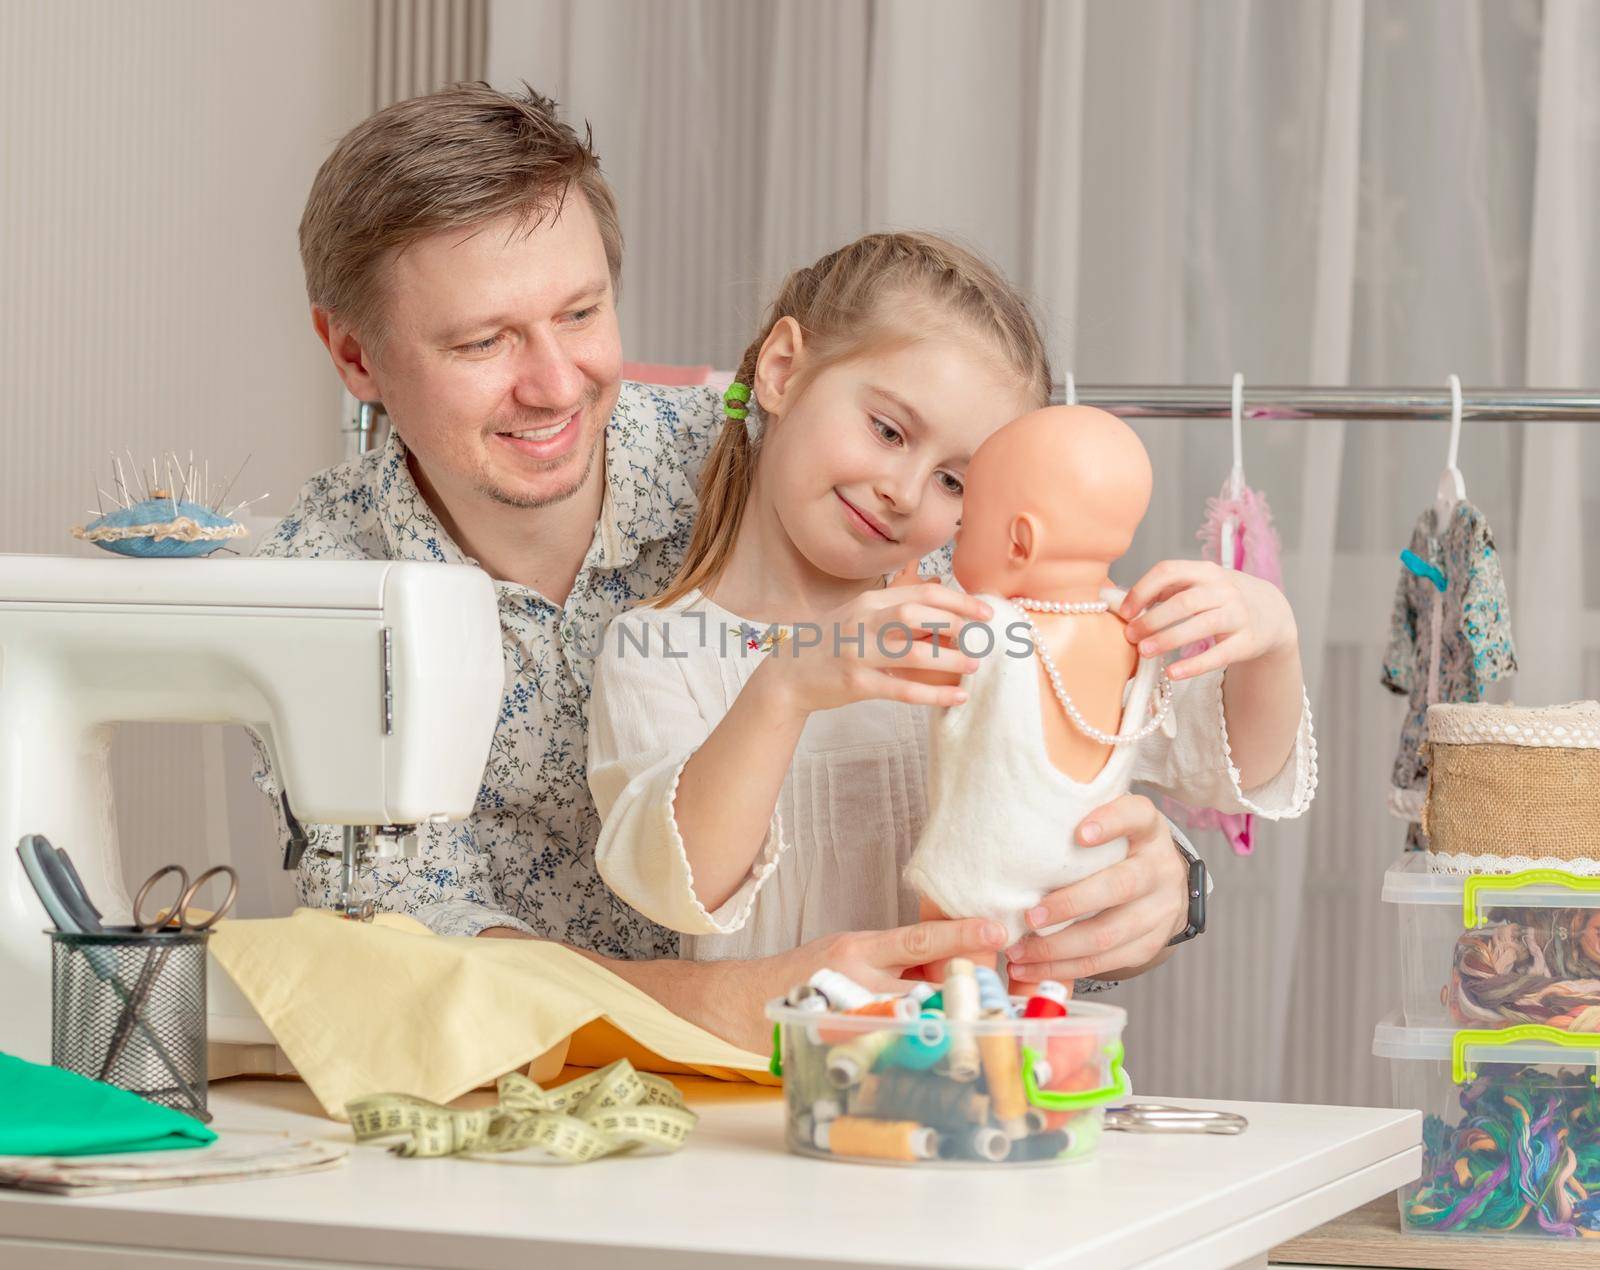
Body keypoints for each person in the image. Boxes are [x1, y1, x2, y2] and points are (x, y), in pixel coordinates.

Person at [253, 82, 1199, 1051]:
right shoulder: (315, 590)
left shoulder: (801, 468)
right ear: (355, 355)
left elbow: (1030, 710)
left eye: (579, 313)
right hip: (513, 1093)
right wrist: (725, 1001)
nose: (552, 383)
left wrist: (1158, 887)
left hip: (863, 1079)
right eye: (482, 340)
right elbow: (403, 938)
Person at [587, 234, 1316, 988]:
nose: (904, 490)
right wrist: (784, 685)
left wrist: (1273, 640)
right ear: (782, 369)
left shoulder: (987, 633)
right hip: (775, 1088)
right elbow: (681, 887)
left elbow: (1233, 765)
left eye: (955, 482)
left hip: (981, 1076)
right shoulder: (660, 649)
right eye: (889, 430)